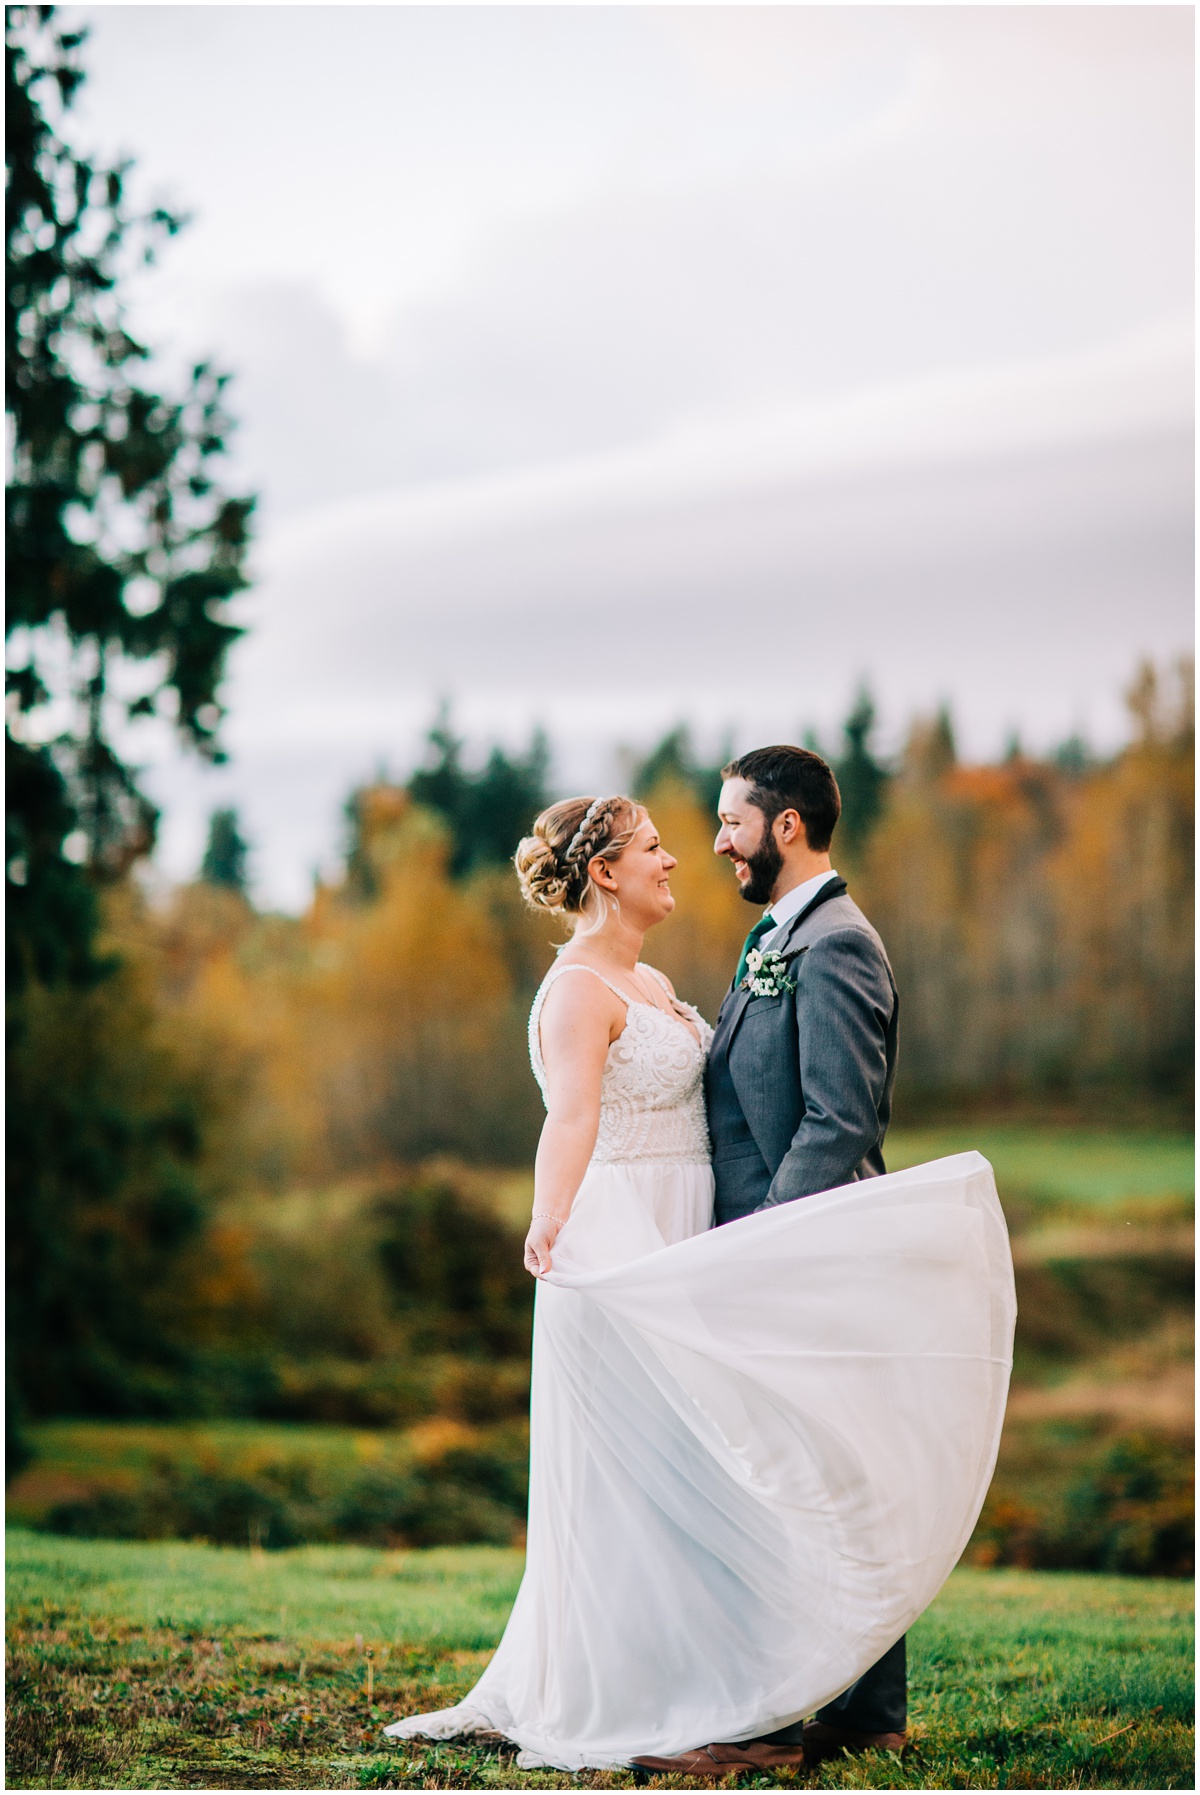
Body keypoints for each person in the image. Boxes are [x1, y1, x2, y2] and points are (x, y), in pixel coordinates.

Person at [385, 787, 1015, 1775]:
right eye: (652, 846)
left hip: (696, 1232)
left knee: (721, 1463)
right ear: (605, 873)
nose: (675, 857)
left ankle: (755, 1696)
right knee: (662, 1473)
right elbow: (571, 1117)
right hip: (631, 1237)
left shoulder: (653, 978)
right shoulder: (577, 990)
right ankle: (689, 1700)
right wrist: (549, 1217)